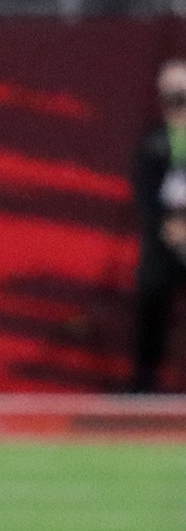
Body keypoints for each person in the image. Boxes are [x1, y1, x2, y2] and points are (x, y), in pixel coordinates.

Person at [131, 60, 186, 393]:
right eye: (173, 96)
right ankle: (145, 384)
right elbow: (144, 191)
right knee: (152, 307)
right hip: (163, 242)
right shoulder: (152, 142)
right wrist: (169, 226)